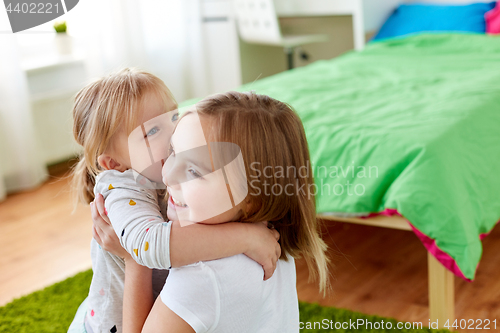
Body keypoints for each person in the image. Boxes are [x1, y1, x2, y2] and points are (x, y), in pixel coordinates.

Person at [93, 91, 330, 332]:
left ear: (253, 198)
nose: (167, 176)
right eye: (173, 152)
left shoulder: (200, 278)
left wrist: (133, 260)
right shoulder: (272, 235)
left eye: (195, 171)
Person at [68, 70, 281, 333]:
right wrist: (248, 237)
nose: (174, 132)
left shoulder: (159, 171)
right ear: (114, 163)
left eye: (174, 116)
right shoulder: (122, 187)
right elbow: (150, 245)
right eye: (153, 131)